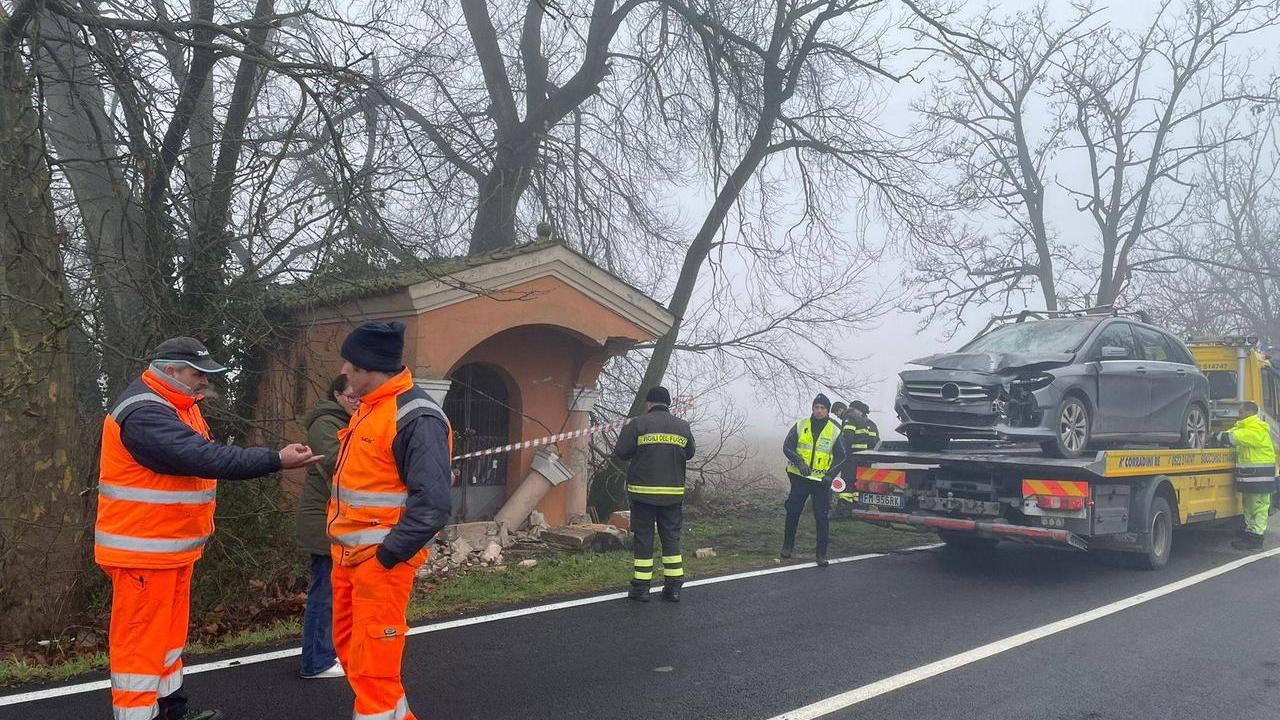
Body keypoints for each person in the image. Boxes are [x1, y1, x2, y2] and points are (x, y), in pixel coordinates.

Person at [96, 337, 319, 720]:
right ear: (171, 372)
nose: (204, 381)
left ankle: (171, 712)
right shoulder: (144, 413)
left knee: (165, 645)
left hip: (168, 551)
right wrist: (274, 460)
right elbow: (200, 457)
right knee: (140, 652)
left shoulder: (176, 406)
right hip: (143, 554)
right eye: (197, 374)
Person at [329, 321, 452, 720]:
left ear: (371, 367)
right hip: (350, 560)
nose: (343, 371)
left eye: (350, 364)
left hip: (378, 564)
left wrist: (385, 558)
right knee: (354, 655)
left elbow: (432, 505)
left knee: (374, 671)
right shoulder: (371, 409)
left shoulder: (415, 417)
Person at [296, 375, 360, 679]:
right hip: (323, 519)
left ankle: (327, 652)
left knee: (336, 591)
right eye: (351, 396)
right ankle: (316, 661)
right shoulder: (325, 423)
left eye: (360, 396)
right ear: (336, 394)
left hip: (337, 518)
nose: (357, 400)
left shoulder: (348, 419)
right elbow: (339, 463)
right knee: (325, 592)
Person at [612, 386, 696, 603]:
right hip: (672, 494)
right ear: (668, 404)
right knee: (671, 538)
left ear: (649, 403)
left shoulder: (638, 424)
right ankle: (674, 588)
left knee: (644, 537)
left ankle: (641, 589)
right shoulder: (682, 426)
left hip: (643, 493)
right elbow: (689, 453)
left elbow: (621, 452)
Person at [781, 393, 847, 566]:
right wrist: (799, 461)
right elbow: (787, 447)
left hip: (821, 482)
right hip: (799, 478)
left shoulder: (834, 430)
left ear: (827, 411)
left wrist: (830, 475)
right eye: (816, 407)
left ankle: (821, 554)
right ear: (812, 408)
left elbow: (841, 457)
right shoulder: (801, 424)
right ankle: (787, 546)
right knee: (793, 512)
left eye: (822, 408)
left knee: (822, 517)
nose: (819, 411)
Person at [1219, 401, 1277, 551]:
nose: (1239, 415)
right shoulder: (1246, 427)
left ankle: (1256, 539)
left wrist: (1218, 437)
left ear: (1249, 412)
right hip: (1253, 476)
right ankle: (1250, 532)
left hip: (1259, 476)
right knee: (1250, 505)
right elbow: (1234, 433)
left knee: (1258, 507)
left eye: (1241, 412)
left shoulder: (1256, 428)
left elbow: (1233, 437)